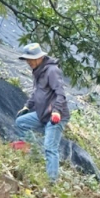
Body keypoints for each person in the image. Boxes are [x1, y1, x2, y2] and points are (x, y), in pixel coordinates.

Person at [14, 43, 70, 182]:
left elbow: (60, 93)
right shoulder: (38, 71)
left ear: (40, 57)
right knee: (21, 122)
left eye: (32, 59)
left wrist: (56, 111)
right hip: (42, 113)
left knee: (50, 148)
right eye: (27, 59)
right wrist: (27, 106)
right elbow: (37, 93)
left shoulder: (52, 70)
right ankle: (32, 152)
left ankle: (51, 182)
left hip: (55, 116)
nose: (29, 62)